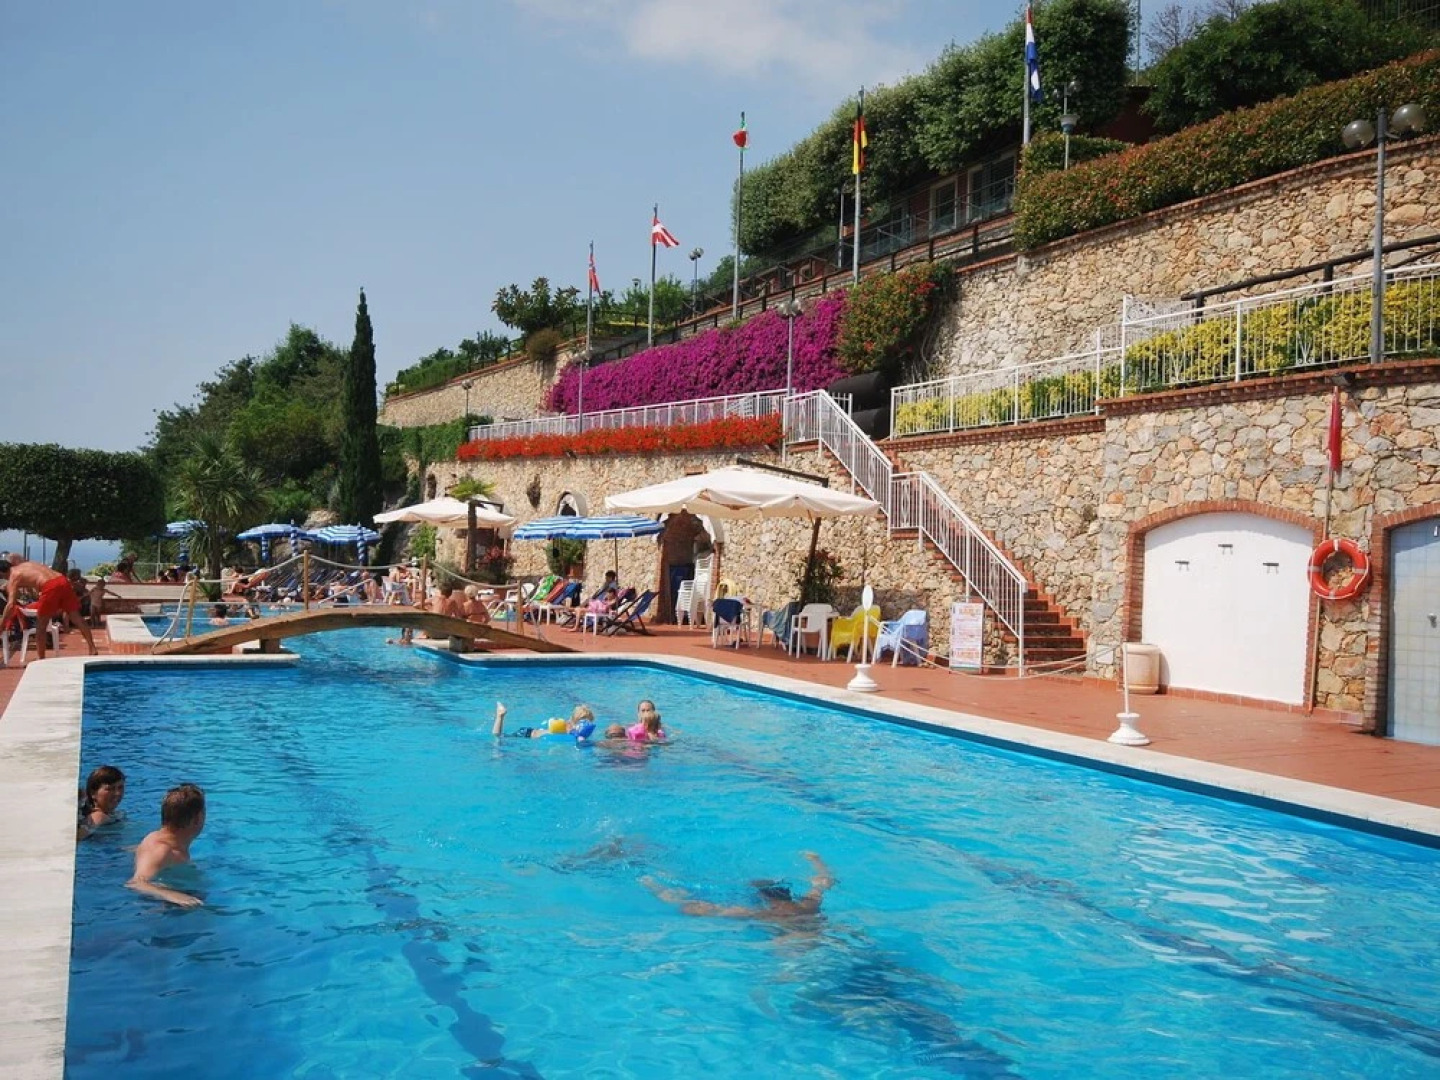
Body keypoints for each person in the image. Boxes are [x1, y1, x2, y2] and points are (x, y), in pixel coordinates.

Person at [642, 851, 834, 924]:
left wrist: (658, 889)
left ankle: (647, 881)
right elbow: (824, 881)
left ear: (764, 897)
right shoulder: (809, 905)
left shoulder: (764, 913)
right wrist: (816, 860)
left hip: (794, 947)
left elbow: (697, 909)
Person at [0, 557, 98, 660]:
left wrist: (2, 626)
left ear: (1, 573)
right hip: (62, 580)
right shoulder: (25, 565)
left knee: (41, 627)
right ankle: (92, 648)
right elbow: (34, 578)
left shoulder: (13, 577)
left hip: (49, 586)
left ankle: (41, 659)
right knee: (77, 617)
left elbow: (11, 605)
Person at [127, 783, 206, 908]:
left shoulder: (169, 844)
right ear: (197, 819)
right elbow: (136, 883)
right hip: (152, 907)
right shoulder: (161, 849)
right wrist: (174, 896)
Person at [492, 701, 596, 741]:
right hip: (526, 735)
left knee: (500, 738)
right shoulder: (570, 729)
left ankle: (500, 714)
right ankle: (500, 716)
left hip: (529, 732)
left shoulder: (567, 725)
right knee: (498, 737)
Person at [77, 765, 126, 839]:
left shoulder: (109, 814)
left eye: (120, 787)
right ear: (93, 793)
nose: (117, 793)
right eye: (110, 789)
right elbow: (77, 837)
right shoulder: (99, 817)